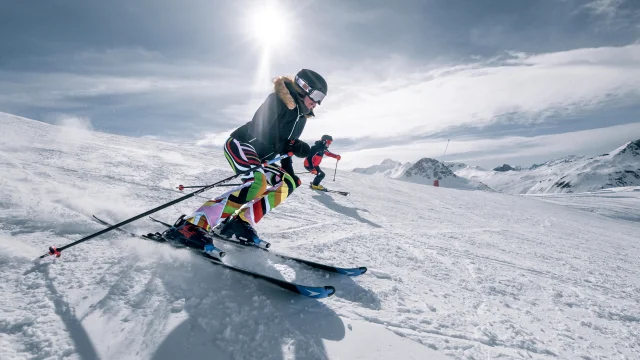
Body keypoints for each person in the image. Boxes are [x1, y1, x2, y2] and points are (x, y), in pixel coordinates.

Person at [166, 69, 328, 254]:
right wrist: (290, 145)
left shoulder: (301, 116)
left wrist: (290, 158)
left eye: (321, 98)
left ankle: (239, 224)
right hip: (242, 144)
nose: (317, 102)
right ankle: (192, 225)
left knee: (290, 182)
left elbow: (285, 149)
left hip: (261, 157)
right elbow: (259, 128)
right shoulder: (277, 100)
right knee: (257, 183)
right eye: (316, 95)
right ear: (303, 86)